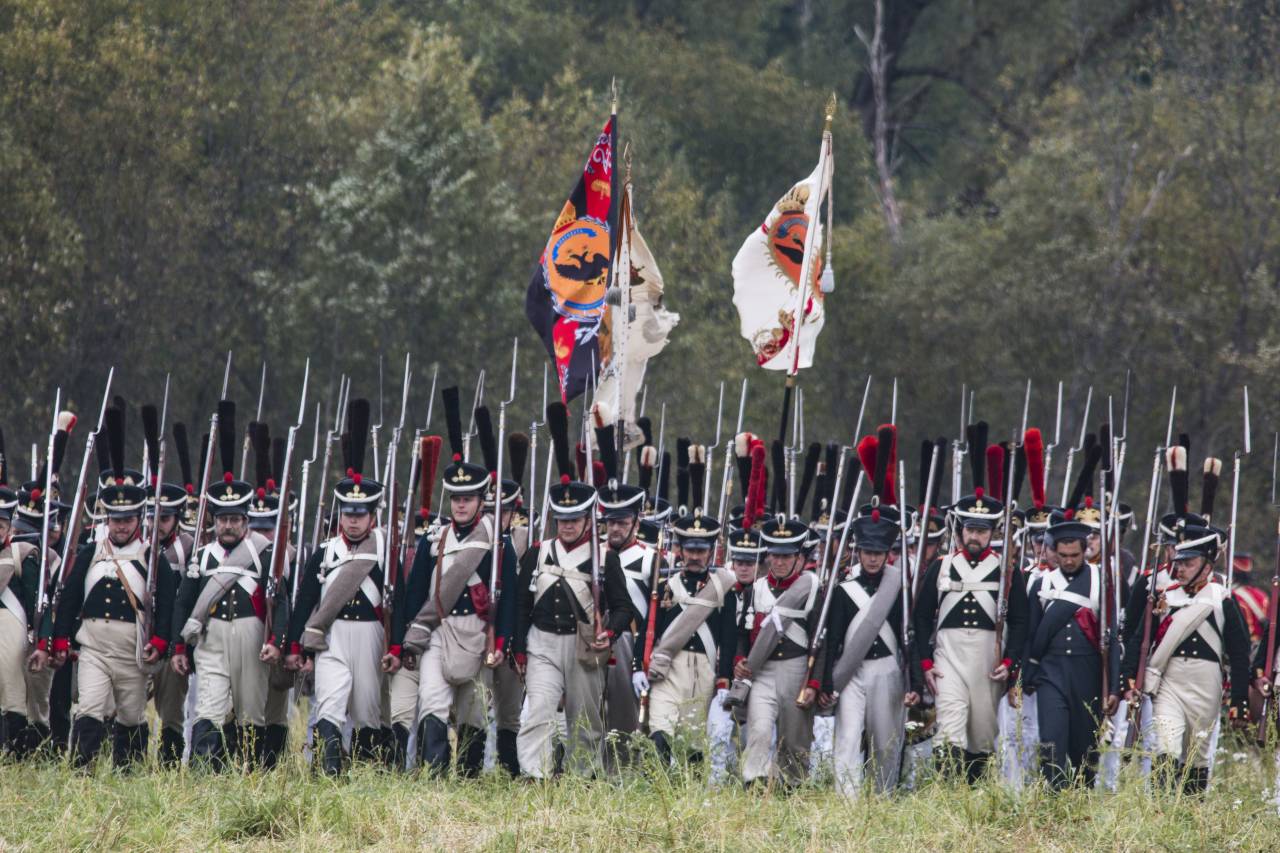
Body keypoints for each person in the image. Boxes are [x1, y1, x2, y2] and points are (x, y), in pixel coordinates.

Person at [40, 439, 174, 769]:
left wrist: (160, 642)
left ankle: (129, 772)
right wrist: (60, 639)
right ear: (108, 518)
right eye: (116, 519)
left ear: (138, 518)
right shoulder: (91, 553)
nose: (121, 526)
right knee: (89, 708)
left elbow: (168, 605)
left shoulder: (152, 558)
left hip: (133, 653)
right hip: (94, 650)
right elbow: (70, 598)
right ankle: (82, 770)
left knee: (131, 715)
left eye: (128, 519)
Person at [391, 452, 517, 776]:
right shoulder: (433, 541)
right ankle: (434, 777)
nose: (460, 505)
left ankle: (469, 778)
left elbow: (510, 598)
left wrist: (500, 640)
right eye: (456, 498)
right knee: (432, 702)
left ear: (481, 500)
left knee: (473, 713)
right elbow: (416, 591)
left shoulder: (498, 544)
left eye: (468, 498)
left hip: (478, 633)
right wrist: (410, 636)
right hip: (440, 630)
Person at [283, 399, 389, 774]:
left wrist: (394, 644)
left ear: (372, 515)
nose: (354, 521)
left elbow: (399, 599)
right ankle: (329, 772)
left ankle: (363, 771)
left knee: (366, 710)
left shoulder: (384, 551)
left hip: (371, 634)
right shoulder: (325, 552)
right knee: (328, 705)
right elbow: (306, 600)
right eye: (348, 513)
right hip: (332, 636)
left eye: (360, 515)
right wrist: (296, 644)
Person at [514, 468, 630, 779]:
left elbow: (622, 607)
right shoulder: (538, 554)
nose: (567, 526)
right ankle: (535, 774)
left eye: (574, 519)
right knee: (538, 709)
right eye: (563, 519)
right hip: (542, 643)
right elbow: (521, 605)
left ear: (588, 520)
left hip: (584, 645)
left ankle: (582, 776)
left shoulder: (605, 558)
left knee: (585, 719)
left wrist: (611, 631)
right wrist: (519, 649)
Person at [1117, 522, 1251, 794]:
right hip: (1170, 682)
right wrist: (1128, 678)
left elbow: (1239, 653)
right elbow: (1140, 641)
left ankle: (1191, 809)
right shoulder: (1164, 598)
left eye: (1188, 563)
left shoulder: (1221, 598)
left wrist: (1239, 700)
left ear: (1206, 565)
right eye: (1179, 563)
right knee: (1165, 743)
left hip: (1206, 683)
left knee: (1197, 754)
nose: (1179, 569)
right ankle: (1160, 807)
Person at [913, 488, 1028, 783]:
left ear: (992, 533)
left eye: (982, 531)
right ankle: (947, 795)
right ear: (960, 530)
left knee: (982, 734)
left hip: (987, 660)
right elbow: (922, 617)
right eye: (970, 530)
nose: (975, 537)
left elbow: (1021, 620)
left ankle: (974, 793)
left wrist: (1011, 661)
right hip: (947, 656)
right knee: (949, 728)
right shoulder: (942, 566)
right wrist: (925, 663)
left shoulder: (1007, 572)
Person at [820, 509, 918, 795]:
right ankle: (846, 799)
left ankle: (883, 797)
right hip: (852, 674)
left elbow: (906, 638)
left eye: (879, 552)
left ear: (888, 553)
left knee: (885, 740)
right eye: (867, 551)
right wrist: (827, 681)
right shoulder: (843, 591)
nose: (873, 558)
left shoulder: (898, 589)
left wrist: (915, 683)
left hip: (886, 669)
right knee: (848, 737)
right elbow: (832, 639)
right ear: (858, 552)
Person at [631, 509, 733, 765]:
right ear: (681, 550)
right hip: (666, 669)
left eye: (700, 551)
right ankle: (656, 794)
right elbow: (647, 629)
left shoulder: (721, 590)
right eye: (690, 550)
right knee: (660, 733)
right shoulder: (666, 584)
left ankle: (688, 798)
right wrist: (637, 666)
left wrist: (724, 678)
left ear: (711, 551)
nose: (695, 556)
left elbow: (728, 637)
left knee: (693, 744)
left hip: (702, 671)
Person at [1022, 516, 1117, 788]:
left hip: (1087, 672)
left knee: (1085, 745)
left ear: (1084, 550)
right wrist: (1027, 672)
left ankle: (1081, 797)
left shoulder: (1100, 581)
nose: (1068, 561)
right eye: (1062, 555)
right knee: (1051, 740)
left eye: (1074, 555)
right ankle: (1053, 797)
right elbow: (1031, 633)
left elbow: (1110, 635)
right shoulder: (1042, 583)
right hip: (1051, 671)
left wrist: (1114, 686)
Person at [729, 516, 821, 787]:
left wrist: (814, 682)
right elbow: (742, 634)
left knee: (794, 737)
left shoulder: (810, 589)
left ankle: (792, 785)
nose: (779, 562)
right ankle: (754, 782)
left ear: (798, 557)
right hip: (762, 671)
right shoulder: (755, 590)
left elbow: (819, 640)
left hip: (796, 667)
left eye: (786, 556)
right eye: (774, 556)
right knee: (758, 729)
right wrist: (739, 659)